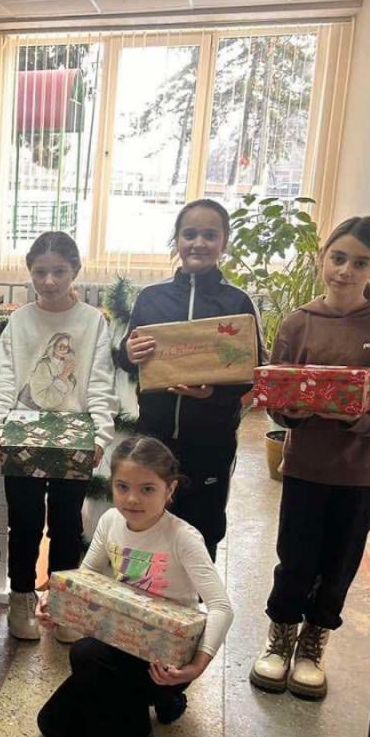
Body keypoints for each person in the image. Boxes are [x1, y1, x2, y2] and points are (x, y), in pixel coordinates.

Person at [250, 216, 370, 700]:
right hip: (306, 466)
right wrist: (290, 411)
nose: (345, 270)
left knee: (339, 562)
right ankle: (280, 639)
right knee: (295, 558)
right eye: (338, 258)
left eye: (360, 262)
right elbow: (277, 391)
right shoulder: (298, 323)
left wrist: (363, 418)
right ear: (323, 257)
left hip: (361, 470)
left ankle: (313, 646)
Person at [36, 436, 233, 737]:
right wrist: (56, 605)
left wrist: (196, 666)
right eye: (122, 486)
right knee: (53, 726)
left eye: (147, 489)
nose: (132, 498)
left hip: (164, 660)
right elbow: (86, 577)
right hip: (120, 641)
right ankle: (156, 704)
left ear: (170, 490)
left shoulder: (183, 537)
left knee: (86, 653)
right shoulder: (111, 521)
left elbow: (220, 607)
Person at [0, 231, 117, 641]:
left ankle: (63, 604)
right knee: (23, 523)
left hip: (75, 439)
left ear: (75, 270)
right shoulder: (20, 321)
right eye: (40, 272)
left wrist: (100, 435)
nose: (49, 281)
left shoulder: (92, 321)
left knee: (66, 525)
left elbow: (100, 381)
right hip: (22, 435)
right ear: (29, 271)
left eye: (59, 271)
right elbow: (7, 379)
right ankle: (22, 598)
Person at [118, 198, 264, 561]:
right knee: (146, 523)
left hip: (210, 441)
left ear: (224, 242)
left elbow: (252, 375)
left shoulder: (238, 303)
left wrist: (212, 394)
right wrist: (128, 353)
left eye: (210, 235)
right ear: (177, 240)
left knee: (202, 529)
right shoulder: (151, 298)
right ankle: (144, 592)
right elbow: (127, 360)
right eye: (190, 234)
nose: (199, 243)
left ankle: (196, 595)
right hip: (154, 437)